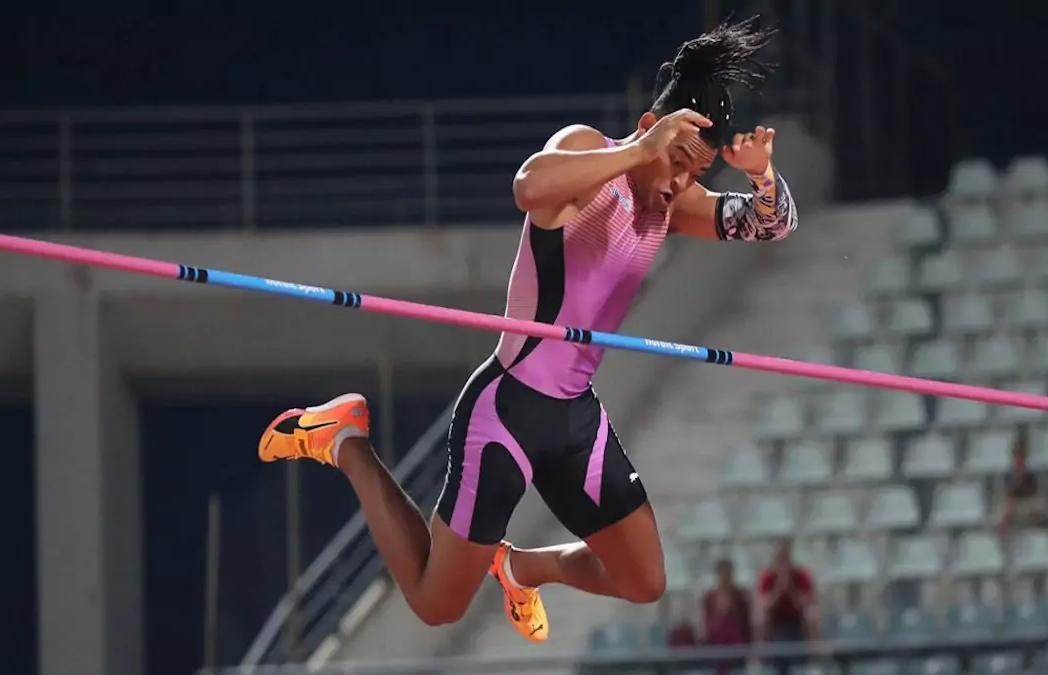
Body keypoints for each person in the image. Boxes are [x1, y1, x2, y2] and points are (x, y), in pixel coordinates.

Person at [257, 17, 797, 643]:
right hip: (506, 412)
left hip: (575, 417)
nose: (680, 182)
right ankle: (347, 441)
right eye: (676, 161)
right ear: (649, 127)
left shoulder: (671, 204)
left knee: (643, 579)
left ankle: (521, 568)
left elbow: (773, 223)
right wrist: (637, 153)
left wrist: (761, 176)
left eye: (693, 173)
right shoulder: (589, 152)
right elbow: (528, 187)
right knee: (436, 604)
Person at [756, 540, 819, 646]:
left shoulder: (800, 575)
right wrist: (777, 590)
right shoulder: (767, 576)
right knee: (759, 616)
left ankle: (816, 651)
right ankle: (760, 651)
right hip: (775, 620)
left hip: (797, 619)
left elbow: (808, 601)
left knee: (812, 613)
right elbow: (764, 604)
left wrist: (792, 591)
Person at [999, 427, 1039, 533]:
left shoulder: (1030, 475)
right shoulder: (1008, 475)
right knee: (1002, 513)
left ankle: (1034, 534)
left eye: (1020, 457)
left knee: (1035, 508)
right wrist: (1016, 479)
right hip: (1013, 503)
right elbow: (1009, 494)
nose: (1018, 460)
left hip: (1026, 502)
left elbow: (1032, 494)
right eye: (1016, 457)